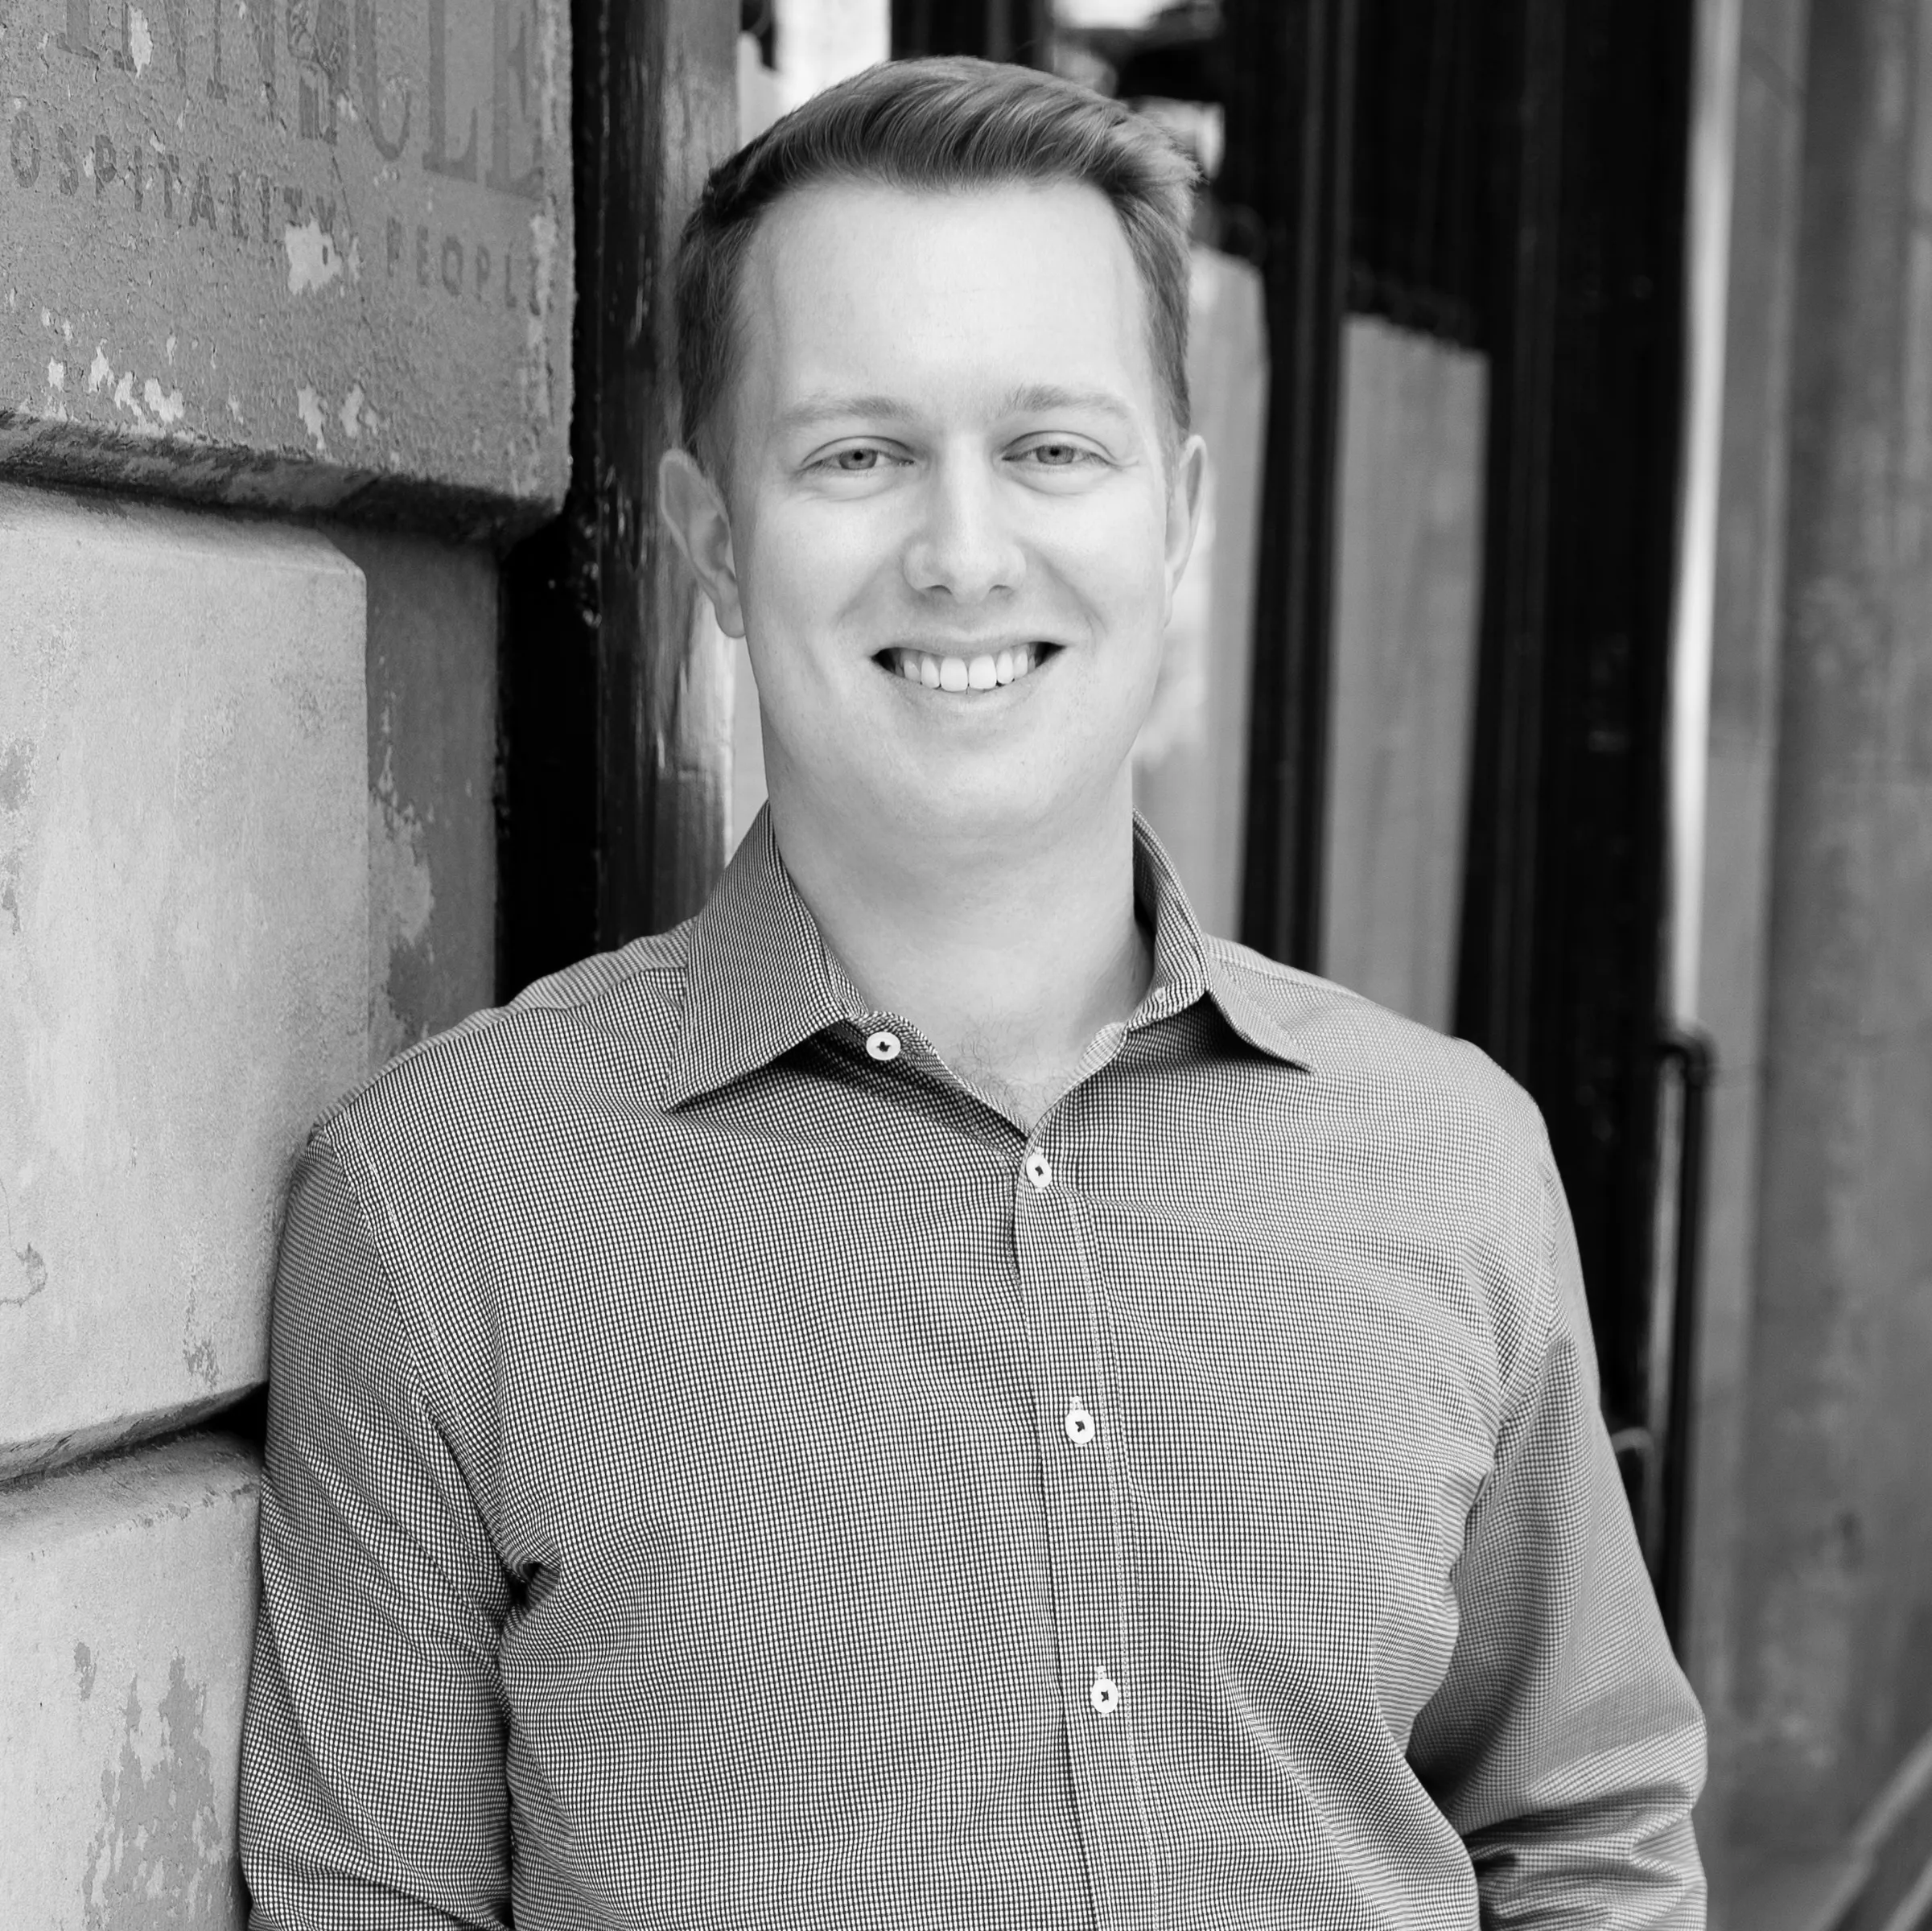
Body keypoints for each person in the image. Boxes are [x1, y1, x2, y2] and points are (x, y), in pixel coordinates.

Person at [238, 56, 1705, 1931]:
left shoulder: (1451, 1159)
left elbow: (1586, 1835)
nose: (963, 553)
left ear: (1176, 514)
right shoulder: (437, 1209)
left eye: (1051, 450)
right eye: (859, 455)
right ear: (711, 543)